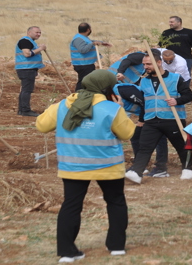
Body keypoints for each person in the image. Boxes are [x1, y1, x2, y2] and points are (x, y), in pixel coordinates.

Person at [36, 70, 135, 261]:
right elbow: (127, 133)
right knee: (115, 202)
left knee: (71, 206)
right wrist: (121, 108)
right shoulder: (111, 108)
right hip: (108, 166)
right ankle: (116, 247)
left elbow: (41, 126)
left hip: (73, 166)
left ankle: (66, 252)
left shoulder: (62, 105)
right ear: (106, 88)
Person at [125, 49, 192, 184]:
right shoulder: (143, 81)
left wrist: (177, 101)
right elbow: (144, 103)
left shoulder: (175, 78)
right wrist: (141, 120)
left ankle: (187, 169)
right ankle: (137, 173)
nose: (146, 67)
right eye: (144, 64)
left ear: (159, 62)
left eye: (149, 64)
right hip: (151, 120)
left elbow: (188, 95)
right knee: (144, 147)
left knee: (181, 146)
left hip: (172, 119)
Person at [112, 82, 170, 177]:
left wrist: (141, 120)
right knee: (135, 136)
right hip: (148, 114)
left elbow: (145, 101)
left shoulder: (124, 90)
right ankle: (140, 167)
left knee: (159, 137)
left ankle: (161, 168)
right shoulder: (110, 97)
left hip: (158, 111)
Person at [69, 22, 111, 91]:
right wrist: (92, 44)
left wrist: (102, 43)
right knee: (83, 82)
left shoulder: (82, 38)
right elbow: (82, 50)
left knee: (88, 81)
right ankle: (78, 95)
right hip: (83, 65)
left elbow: (89, 42)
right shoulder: (78, 39)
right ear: (88, 30)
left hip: (87, 64)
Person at [15, 26, 46, 117]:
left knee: (25, 89)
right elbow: (27, 54)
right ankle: (25, 110)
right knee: (27, 90)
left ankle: (21, 110)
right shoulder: (25, 41)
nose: (39, 34)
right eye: (36, 32)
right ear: (29, 32)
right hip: (26, 69)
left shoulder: (30, 42)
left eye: (40, 33)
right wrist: (40, 49)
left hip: (27, 68)